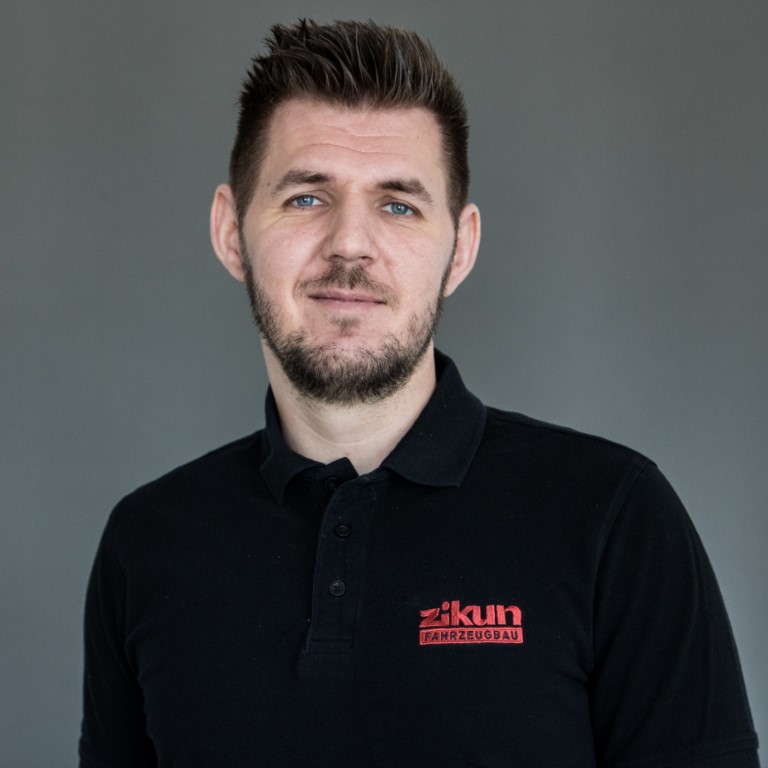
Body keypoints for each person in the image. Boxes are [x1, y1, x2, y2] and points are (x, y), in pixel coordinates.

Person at [79, 19, 760, 768]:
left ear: (460, 249)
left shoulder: (614, 516)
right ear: (231, 232)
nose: (350, 243)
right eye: (306, 198)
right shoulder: (148, 542)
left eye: (398, 205)